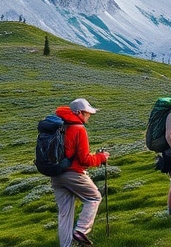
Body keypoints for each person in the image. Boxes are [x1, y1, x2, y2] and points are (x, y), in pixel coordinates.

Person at [50, 98, 109, 247]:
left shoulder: (59, 126)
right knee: (94, 198)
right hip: (74, 173)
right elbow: (84, 160)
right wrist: (101, 157)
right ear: (79, 113)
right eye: (87, 113)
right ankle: (81, 230)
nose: (89, 116)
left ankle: (66, 245)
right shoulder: (78, 128)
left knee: (64, 214)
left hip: (56, 174)